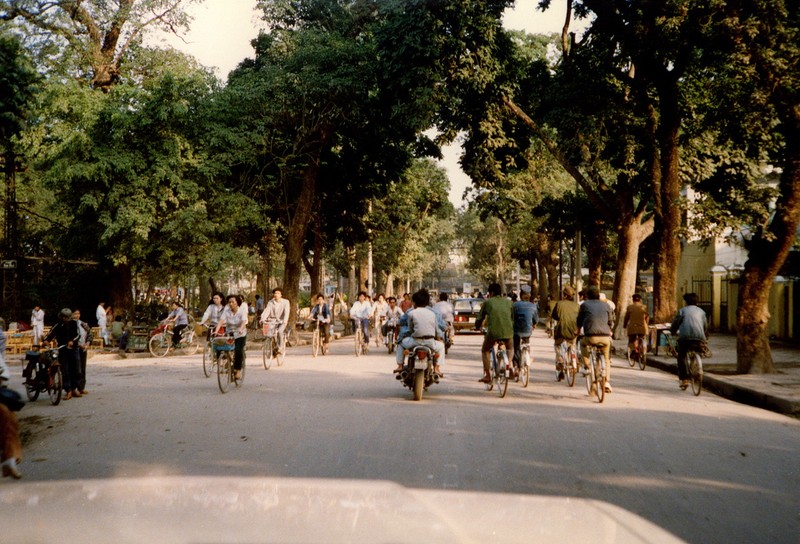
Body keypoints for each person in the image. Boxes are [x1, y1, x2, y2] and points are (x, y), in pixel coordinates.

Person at [394, 289, 445, 376]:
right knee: (441, 346)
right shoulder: (433, 313)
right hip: (430, 342)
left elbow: (410, 329)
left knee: (401, 344)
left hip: (415, 341)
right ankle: (436, 368)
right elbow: (437, 329)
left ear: (414, 302)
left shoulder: (411, 312)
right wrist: (440, 338)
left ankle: (400, 365)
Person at [474, 283, 514, 384]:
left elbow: (480, 317)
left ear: (491, 293)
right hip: (508, 332)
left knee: (485, 350)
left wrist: (477, 326)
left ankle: (487, 375)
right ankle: (509, 364)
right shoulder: (509, 302)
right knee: (510, 348)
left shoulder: (488, 303)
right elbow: (513, 318)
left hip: (493, 333)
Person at [577, 285, 614, 393]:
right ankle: (606, 381)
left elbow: (579, 320)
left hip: (590, 336)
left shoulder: (585, 305)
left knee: (583, 344)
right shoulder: (606, 305)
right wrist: (609, 329)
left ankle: (587, 366)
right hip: (605, 337)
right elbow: (610, 321)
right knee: (606, 359)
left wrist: (578, 330)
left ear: (587, 295)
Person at [670, 293, 709, 390]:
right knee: (699, 350)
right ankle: (698, 366)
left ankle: (684, 379)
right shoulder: (702, 312)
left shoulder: (682, 311)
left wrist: (673, 331)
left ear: (686, 302)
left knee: (682, 356)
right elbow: (705, 326)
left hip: (685, 338)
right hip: (699, 337)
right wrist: (705, 335)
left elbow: (676, 323)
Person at [44, 308, 82, 400]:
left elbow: (78, 335)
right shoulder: (58, 325)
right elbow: (51, 334)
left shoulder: (74, 323)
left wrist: (72, 341)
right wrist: (46, 340)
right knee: (65, 371)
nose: (66, 319)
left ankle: (74, 389)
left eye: (67, 317)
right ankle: (68, 390)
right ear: (61, 317)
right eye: (64, 317)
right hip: (62, 349)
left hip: (74, 349)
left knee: (76, 370)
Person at [216, 294, 248, 381]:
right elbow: (221, 321)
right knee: (221, 346)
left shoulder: (242, 311)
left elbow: (244, 321)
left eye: (232, 302)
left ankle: (238, 370)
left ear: (237, 303)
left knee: (238, 350)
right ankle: (225, 361)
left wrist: (241, 329)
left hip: (240, 333)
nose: (231, 304)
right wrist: (216, 331)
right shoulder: (226, 312)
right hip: (230, 332)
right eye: (229, 302)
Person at [551, 286, 580, 381]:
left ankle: (560, 359)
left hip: (562, 329)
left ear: (565, 295)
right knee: (572, 344)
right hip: (574, 331)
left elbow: (554, 316)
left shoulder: (559, 304)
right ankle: (574, 358)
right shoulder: (577, 306)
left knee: (558, 345)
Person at [260, 288, 291, 355]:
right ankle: (272, 348)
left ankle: (280, 347)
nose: (276, 295)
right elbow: (266, 311)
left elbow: (287, 312)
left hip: (282, 321)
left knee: (280, 331)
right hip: (273, 321)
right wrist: (263, 318)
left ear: (281, 295)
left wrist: (285, 321)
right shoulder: (270, 302)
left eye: (278, 293)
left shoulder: (286, 302)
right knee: (269, 333)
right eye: (275, 293)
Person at [512, 291, 538, 368]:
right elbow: (535, 319)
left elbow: (511, 317)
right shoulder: (533, 306)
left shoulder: (515, 305)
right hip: (527, 330)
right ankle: (527, 355)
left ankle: (516, 365)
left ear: (520, 295)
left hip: (516, 330)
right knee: (526, 342)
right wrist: (534, 325)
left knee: (516, 346)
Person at [73, 309, 93, 393]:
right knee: (75, 368)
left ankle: (81, 388)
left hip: (83, 348)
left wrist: (87, 343)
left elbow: (90, 333)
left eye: (78, 313)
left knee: (82, 368)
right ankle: (73, 388)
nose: (77, 315)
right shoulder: (71, 324)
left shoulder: (83, 324)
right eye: (75, 314)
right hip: (75, 348)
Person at [623, 293, 649, 358]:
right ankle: (642, 349)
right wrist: (646, 323)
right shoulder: (644, 307)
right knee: (642, 337)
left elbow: (626, 318)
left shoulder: (630, 307)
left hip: (633, 327)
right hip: (642, 328)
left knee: (632, 339)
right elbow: (647, 317)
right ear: (640, 300)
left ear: (633, 300)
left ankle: (634, 351)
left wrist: (624, 325)